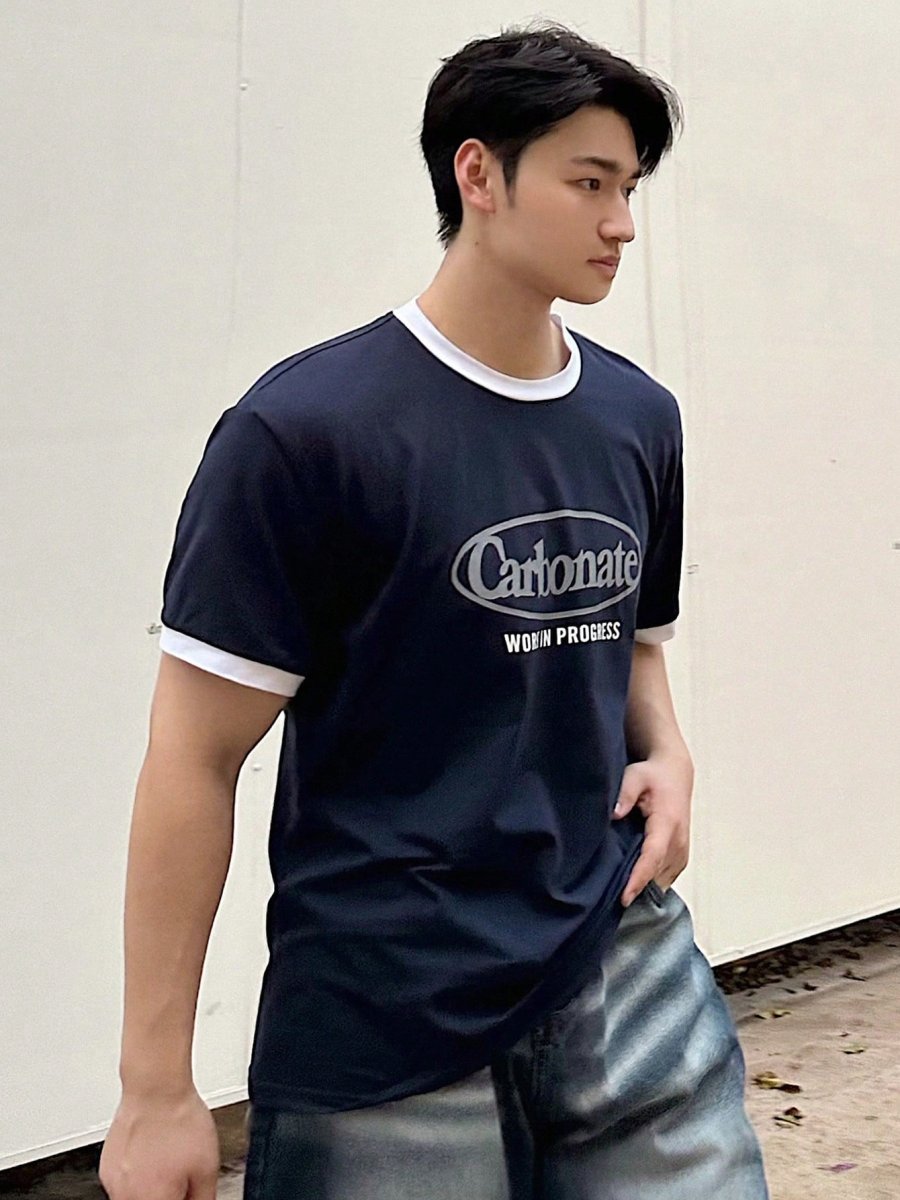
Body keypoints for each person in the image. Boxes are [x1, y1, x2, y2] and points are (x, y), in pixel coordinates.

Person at [99, 22, 769, 1200]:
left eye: (630, 188)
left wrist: (667, 749)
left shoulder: (636, 418)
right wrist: (155, 1088)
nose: (622, 222)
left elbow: (629, 638)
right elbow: (191, 756)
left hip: (620, 958)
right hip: (388, 1014)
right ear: (478, 175)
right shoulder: (306, 434)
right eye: (590, 183)